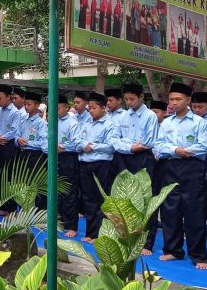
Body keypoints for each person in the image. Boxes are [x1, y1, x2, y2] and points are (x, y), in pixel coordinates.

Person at [154, 83, 207, 269]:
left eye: (178, 99)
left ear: (188, 100)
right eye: (171, 99)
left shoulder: (199, 123)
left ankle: (199, 255)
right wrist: (175, 150)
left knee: (194, 210)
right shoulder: (166, 122)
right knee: (170, 209)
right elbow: (159, 145)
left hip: (193, 168)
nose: (174, 103)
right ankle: (173, 250)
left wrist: (187, 151)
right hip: (170, 167)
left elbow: (205, 145)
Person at [110, 83, 159, 255]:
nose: (129, 102)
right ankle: (125, 236)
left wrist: (129, 146)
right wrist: (130, 147)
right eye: (126, 99)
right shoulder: (122, 117)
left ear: (141, 97)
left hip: (143, 159)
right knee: (124, 197)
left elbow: (148, 142)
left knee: (145, 199)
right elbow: (114, 139)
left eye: (132, 99)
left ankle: (146, 243)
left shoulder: (150, 116)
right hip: (124, 157)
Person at [79, 92, 115, 243]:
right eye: (89, 108)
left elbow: (111, 146)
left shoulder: (110, 124)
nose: (91, 111)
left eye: (94, 108)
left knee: (100, 199)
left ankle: (100, 234)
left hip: (102, 164)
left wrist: (92, 147)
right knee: (88, 199)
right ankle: (90, 232)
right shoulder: (86, 123)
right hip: (85, 163)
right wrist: (83, 145)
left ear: (103, 108)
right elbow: (78, 140)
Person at [0, 84, 22, 214]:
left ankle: (12, 209)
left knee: (9, 178)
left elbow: (14, 131)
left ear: (9, 97)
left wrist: (0, 138)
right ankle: (3, 207)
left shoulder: (15, 113)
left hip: (8, 147)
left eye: (0, 98)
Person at [15, 91, 48, 209]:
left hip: (35, 155)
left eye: (29, 104)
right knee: (22, 182)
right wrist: (18, 140)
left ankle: (37, 211)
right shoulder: (23, 120)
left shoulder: (41, 123)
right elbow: (16, 135)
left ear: (37, 105)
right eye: (25, 104)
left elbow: (43, 143)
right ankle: (24, 209)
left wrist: (28, 142)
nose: (26, 107)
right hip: (22, 154)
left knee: (36, 183)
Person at [57, 95, 82, 237]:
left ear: (66, 107)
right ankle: (59, 222)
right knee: (57, 191)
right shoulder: (53, 121)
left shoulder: (72, 122)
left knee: (70, 192)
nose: (56, 111)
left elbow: (77, 143)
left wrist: (63, 147)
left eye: (59, 108)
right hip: (56, 157)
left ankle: (72, 226)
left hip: (69, 158)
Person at [190, 91, 207, 241]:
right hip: (193, 160)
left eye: (200, 107)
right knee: (195, 197)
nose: (197, 110)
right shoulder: (190, 120)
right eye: (194, 107)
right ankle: (196, 230)